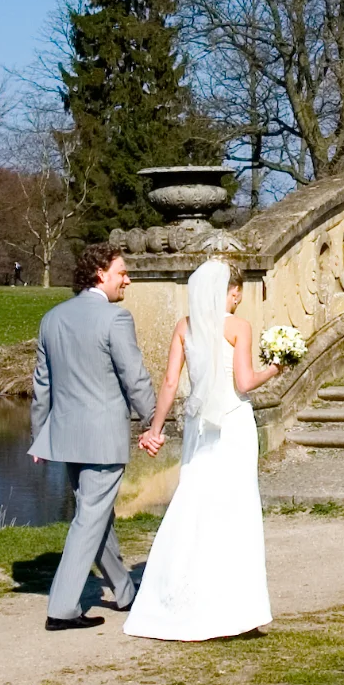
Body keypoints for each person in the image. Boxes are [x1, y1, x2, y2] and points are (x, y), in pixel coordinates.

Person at [124, 256, 277, 641]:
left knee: (193, 503)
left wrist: (155, 429)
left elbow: (171, 383)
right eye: (236, 292)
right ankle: (237, 610)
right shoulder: (239, 326)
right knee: (235, 508)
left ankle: (177, 599)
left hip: (198, 428)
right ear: (234, 293)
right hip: (233, 425)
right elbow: (244, 382)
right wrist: (277, 367)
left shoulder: (184, 326)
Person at [28, 241, 157, 631]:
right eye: (122, 272)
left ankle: (125, 591)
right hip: (102, 438)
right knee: (89, 518)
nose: (127, 280)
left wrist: (39, 435)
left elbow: (41, 387)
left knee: (96, 514)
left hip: (66, 437)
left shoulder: (52, 318)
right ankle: (62, 608)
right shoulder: (115, 318)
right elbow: (133, 376)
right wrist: (155, 419)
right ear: (101, 273)